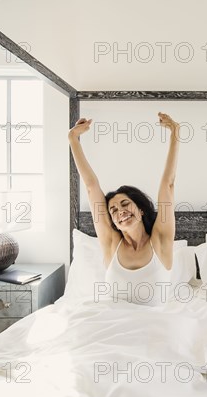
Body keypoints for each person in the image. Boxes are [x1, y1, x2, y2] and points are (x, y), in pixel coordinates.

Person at [68, 112, 180, 305]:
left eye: (125, 204)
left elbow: (168, 184)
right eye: (113, 211)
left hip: (154, 329)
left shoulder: (160, 241)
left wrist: (175, 133)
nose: (120, 211)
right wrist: (73, 139)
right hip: (113, 326)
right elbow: (91, 186)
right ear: (114, 224)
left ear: (141, 210)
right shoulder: (111, 243)